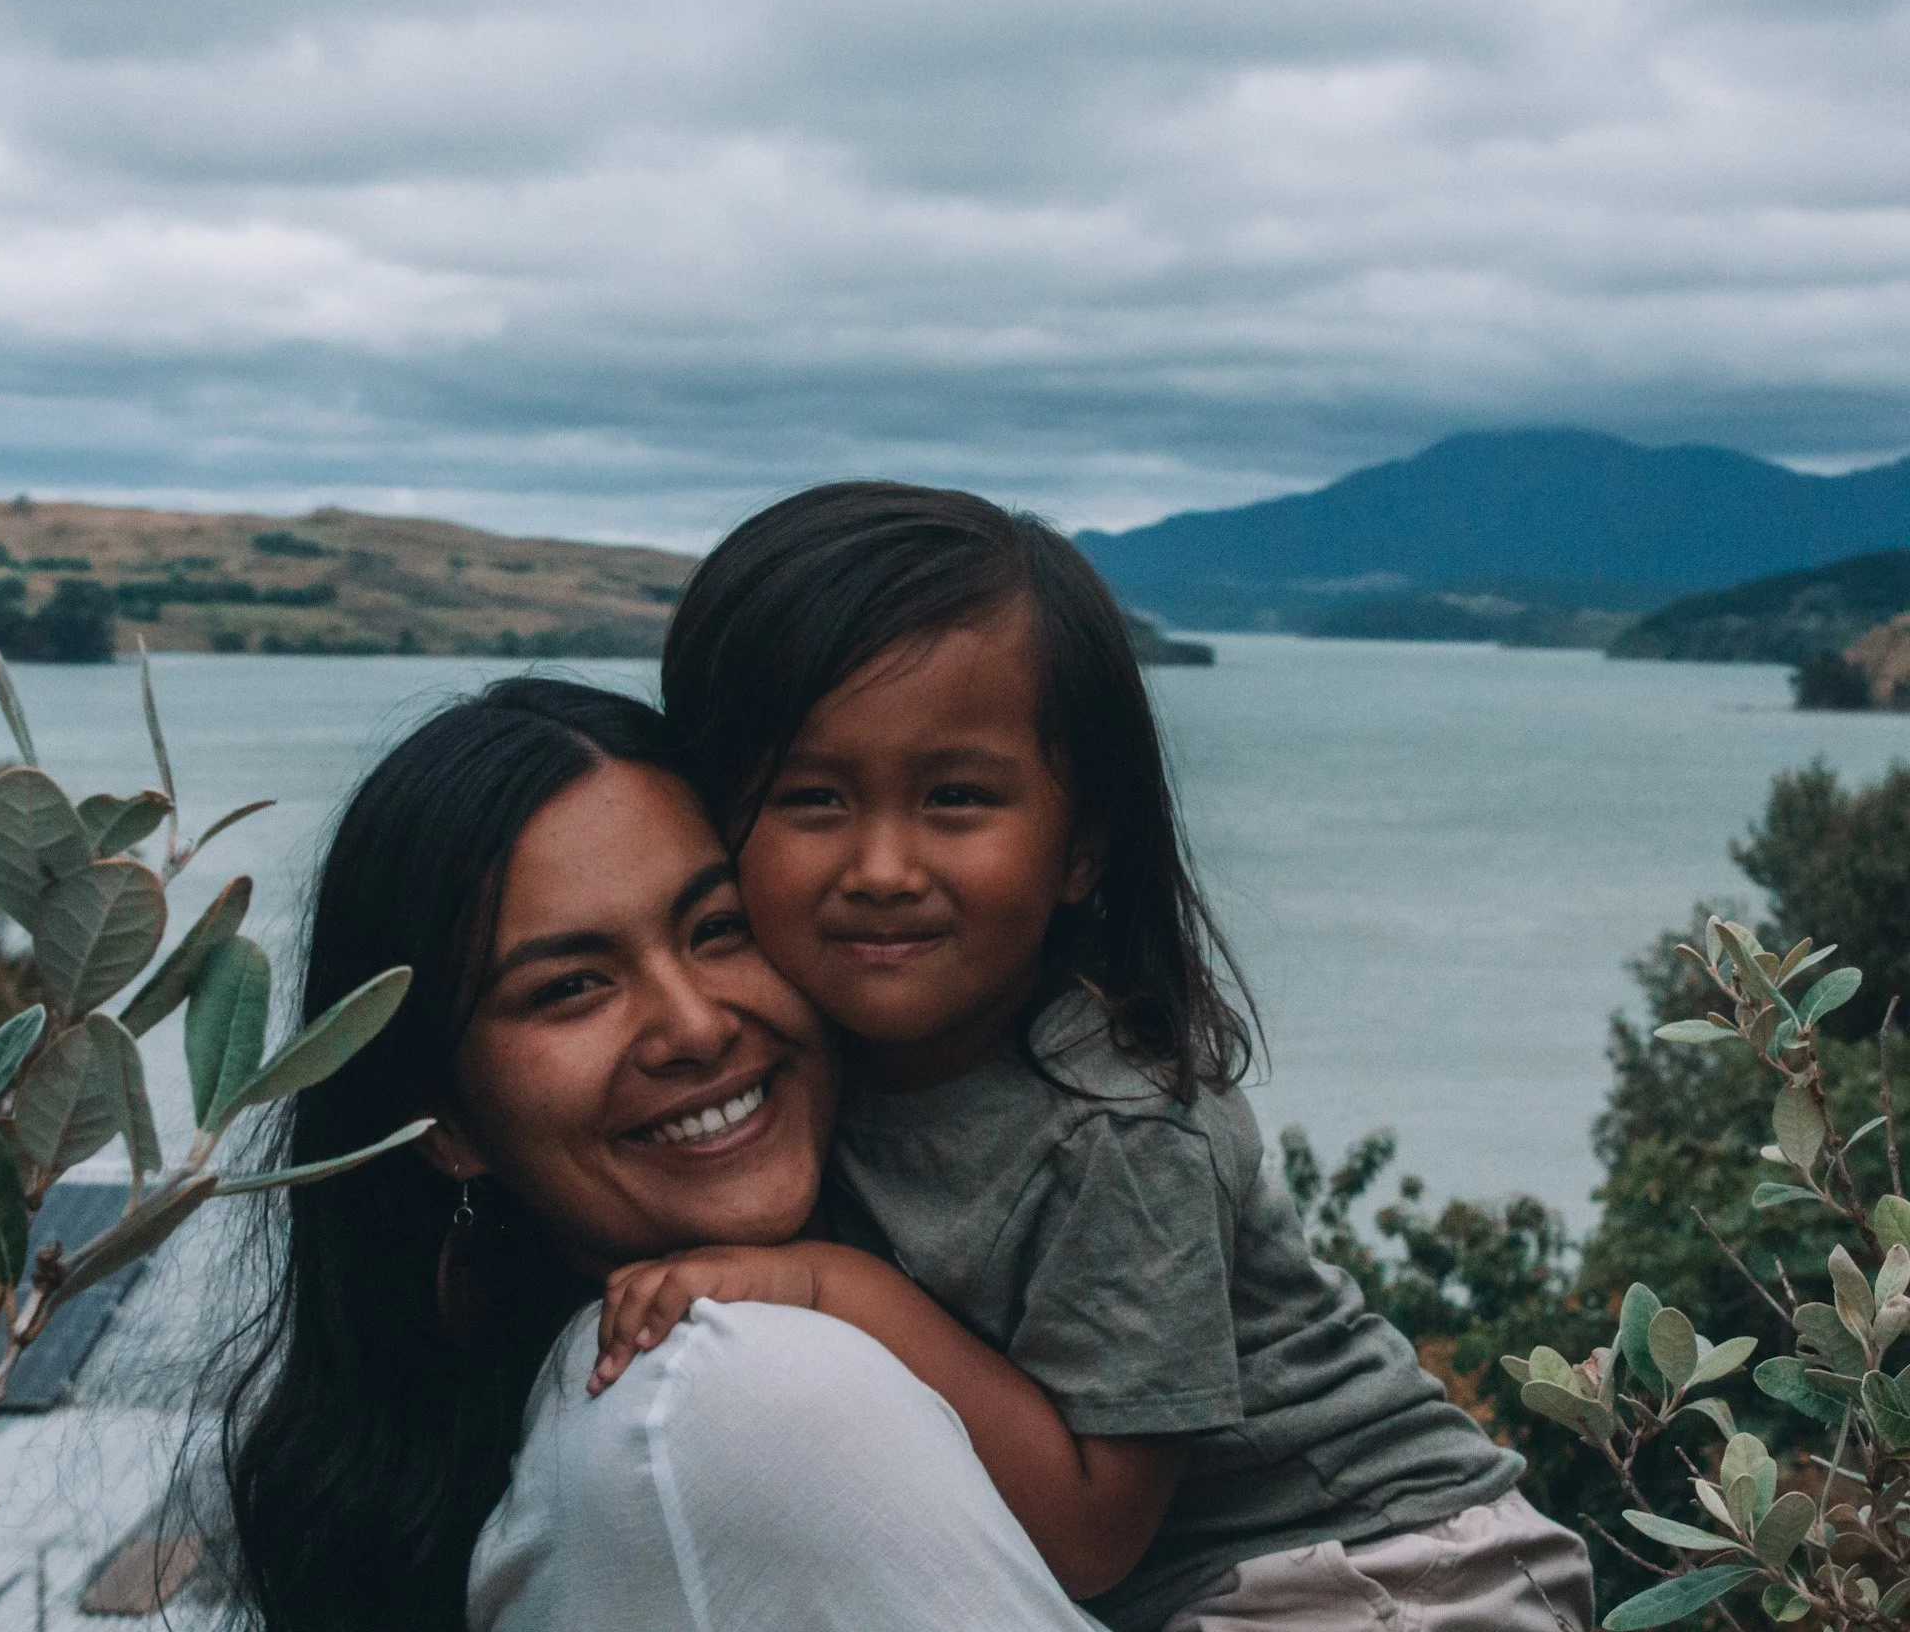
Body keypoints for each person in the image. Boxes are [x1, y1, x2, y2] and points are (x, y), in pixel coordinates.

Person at [600, 482, 1596, 1631]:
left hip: (1389, 1572)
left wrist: (832, 1288)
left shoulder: (1116, 1126)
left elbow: (1089, 1534)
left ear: (1080, 847)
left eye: (954, 797)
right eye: (810, 796)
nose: (880, 868)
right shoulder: (794, 1068)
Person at [220, 677, 1108, 1632]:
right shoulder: (734, 1392)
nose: (695, 1026)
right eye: (571, 987)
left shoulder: (551, 1424)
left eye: (719, 928)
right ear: (441, 1123)